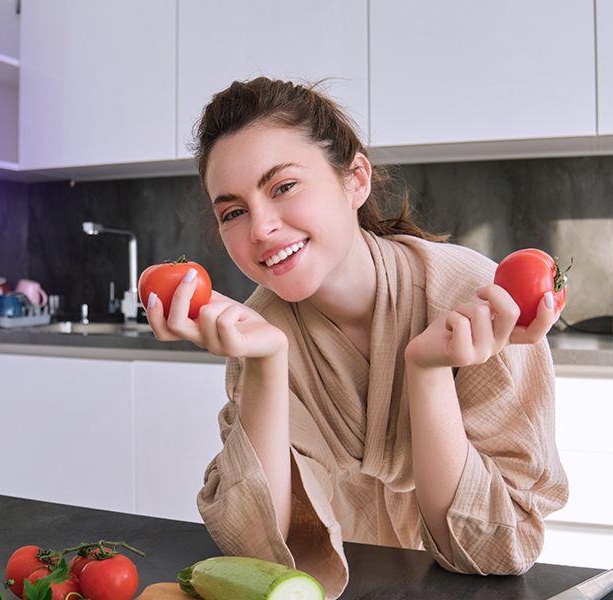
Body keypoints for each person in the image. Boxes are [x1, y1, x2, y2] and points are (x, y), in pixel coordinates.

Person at [146, 77, 568, 599]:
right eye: (233, 211)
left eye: (283, 187)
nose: (259, 228)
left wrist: (428, 371)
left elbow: (495, 551)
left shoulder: (479, 302)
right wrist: (266, 365)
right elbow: (258, 558)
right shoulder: (257, 331)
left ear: (356, 180)